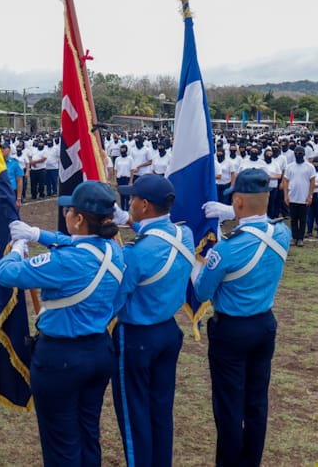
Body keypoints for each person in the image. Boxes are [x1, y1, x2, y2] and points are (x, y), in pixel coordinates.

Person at [0, 181, 123, 467]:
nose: (65, 213)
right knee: (88, 431)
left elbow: (6, 274)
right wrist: (38, 234)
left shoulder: (64, 261)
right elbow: (76, 243)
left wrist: (18, 247)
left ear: (78, 219)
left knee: (61, 443)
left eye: (68, 210)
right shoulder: (115, 250)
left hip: (61, 360)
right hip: (99, 351)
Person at [193, 168, 291, 467]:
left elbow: (202, 291)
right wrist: (238, 215)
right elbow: (259, 223)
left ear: (237, 202)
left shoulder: (228, 248)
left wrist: (195, 264)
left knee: (229, 406)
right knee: (256, 403)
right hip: (264, 325)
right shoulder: (282, 232)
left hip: (232, 331)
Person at [111, 175, 194, 467]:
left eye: (131, 199)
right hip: (168, 333)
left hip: (136, 338)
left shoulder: (135, 253)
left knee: (134, 416)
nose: (128, 202)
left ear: (144, 205)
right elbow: (158, 235)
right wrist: (130, 222)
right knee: (160, 411)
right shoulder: (185, 235)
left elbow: (115, 298)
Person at [282, 146, 315, 247]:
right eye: (296, 153)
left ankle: (300, 238)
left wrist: (310, 195)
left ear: (304, 154)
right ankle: (294, 237)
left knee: (303, 219)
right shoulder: (289, 166)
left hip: (304, 197)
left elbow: (312, 181)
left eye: (300, 153)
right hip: (292, 197)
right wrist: (285, 195)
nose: (298, 155)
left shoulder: (310, 167)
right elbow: (286, 181)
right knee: (293, 219)